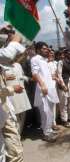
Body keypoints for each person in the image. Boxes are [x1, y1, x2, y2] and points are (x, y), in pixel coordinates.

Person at [0, 26, 26, 162]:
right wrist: (15, 41)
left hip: (4, 108)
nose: (5, 34)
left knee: (12, 147)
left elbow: (9, 60)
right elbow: (8, 56)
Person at [31, 42, 59, 142]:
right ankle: (46, 133)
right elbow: (34, 74)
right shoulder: (35, 59)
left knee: (50, 111)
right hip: (43, 90)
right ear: (38, 50)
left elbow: (45, 74)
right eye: (44, 48)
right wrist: (42, 85)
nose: (46, 50)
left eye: (47, 48)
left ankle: (49, 129)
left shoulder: (45, 60)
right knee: (45, 111)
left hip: (50, 89)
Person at [57, 49, 70, 128]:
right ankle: (64, 120)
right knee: (63, 103)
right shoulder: (61, 62)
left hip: (69, 84)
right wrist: (63, 85)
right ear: (65, 54)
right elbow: (59, 74)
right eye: (69, 54)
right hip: (63, 84)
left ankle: (69, 117)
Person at [47, 49, 60, 131]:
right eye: (50, 54)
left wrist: (56, 77)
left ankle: (54, 123)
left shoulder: (55, 63)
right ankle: (49, 124)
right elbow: (47, 75)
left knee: (54, 105)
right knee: (48, 106)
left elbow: (57, 74)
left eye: (52, 54)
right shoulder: (45, 63)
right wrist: (54, 77)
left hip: (55, 86)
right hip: (48, 86)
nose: (51, 55)